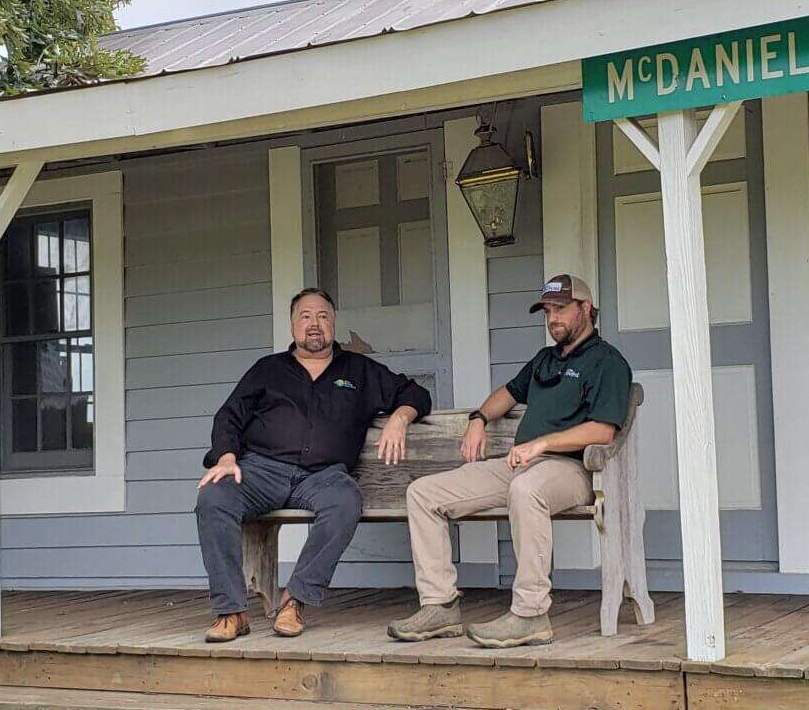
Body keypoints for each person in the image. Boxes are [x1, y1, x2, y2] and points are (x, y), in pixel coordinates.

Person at [388, 274, 631, 648]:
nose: (552, 319)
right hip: (520, 466)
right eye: (548, 311)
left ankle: (531, 615)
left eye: (561, 309)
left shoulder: (606, 362)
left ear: (585, 309)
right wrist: (478, 419)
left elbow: (602, 432)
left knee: (526, 488)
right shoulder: (544, 360)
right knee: (424, 492)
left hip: (572, 469)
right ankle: (440, 606)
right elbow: (508, 393)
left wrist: (542, 443)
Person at [196, 288, 431, 642]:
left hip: (323, 477)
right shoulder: (267, 370)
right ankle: (232, 610)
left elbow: (416, 393)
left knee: (345, 502)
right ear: (293, 325)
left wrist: (400, 416)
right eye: (305, 316)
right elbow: (229, 416)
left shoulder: (360, 370)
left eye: (322, 316)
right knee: (214, 497)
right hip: (262, 470)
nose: (314, 324)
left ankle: (295, 600)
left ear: (333, 323)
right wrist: (227, 457)